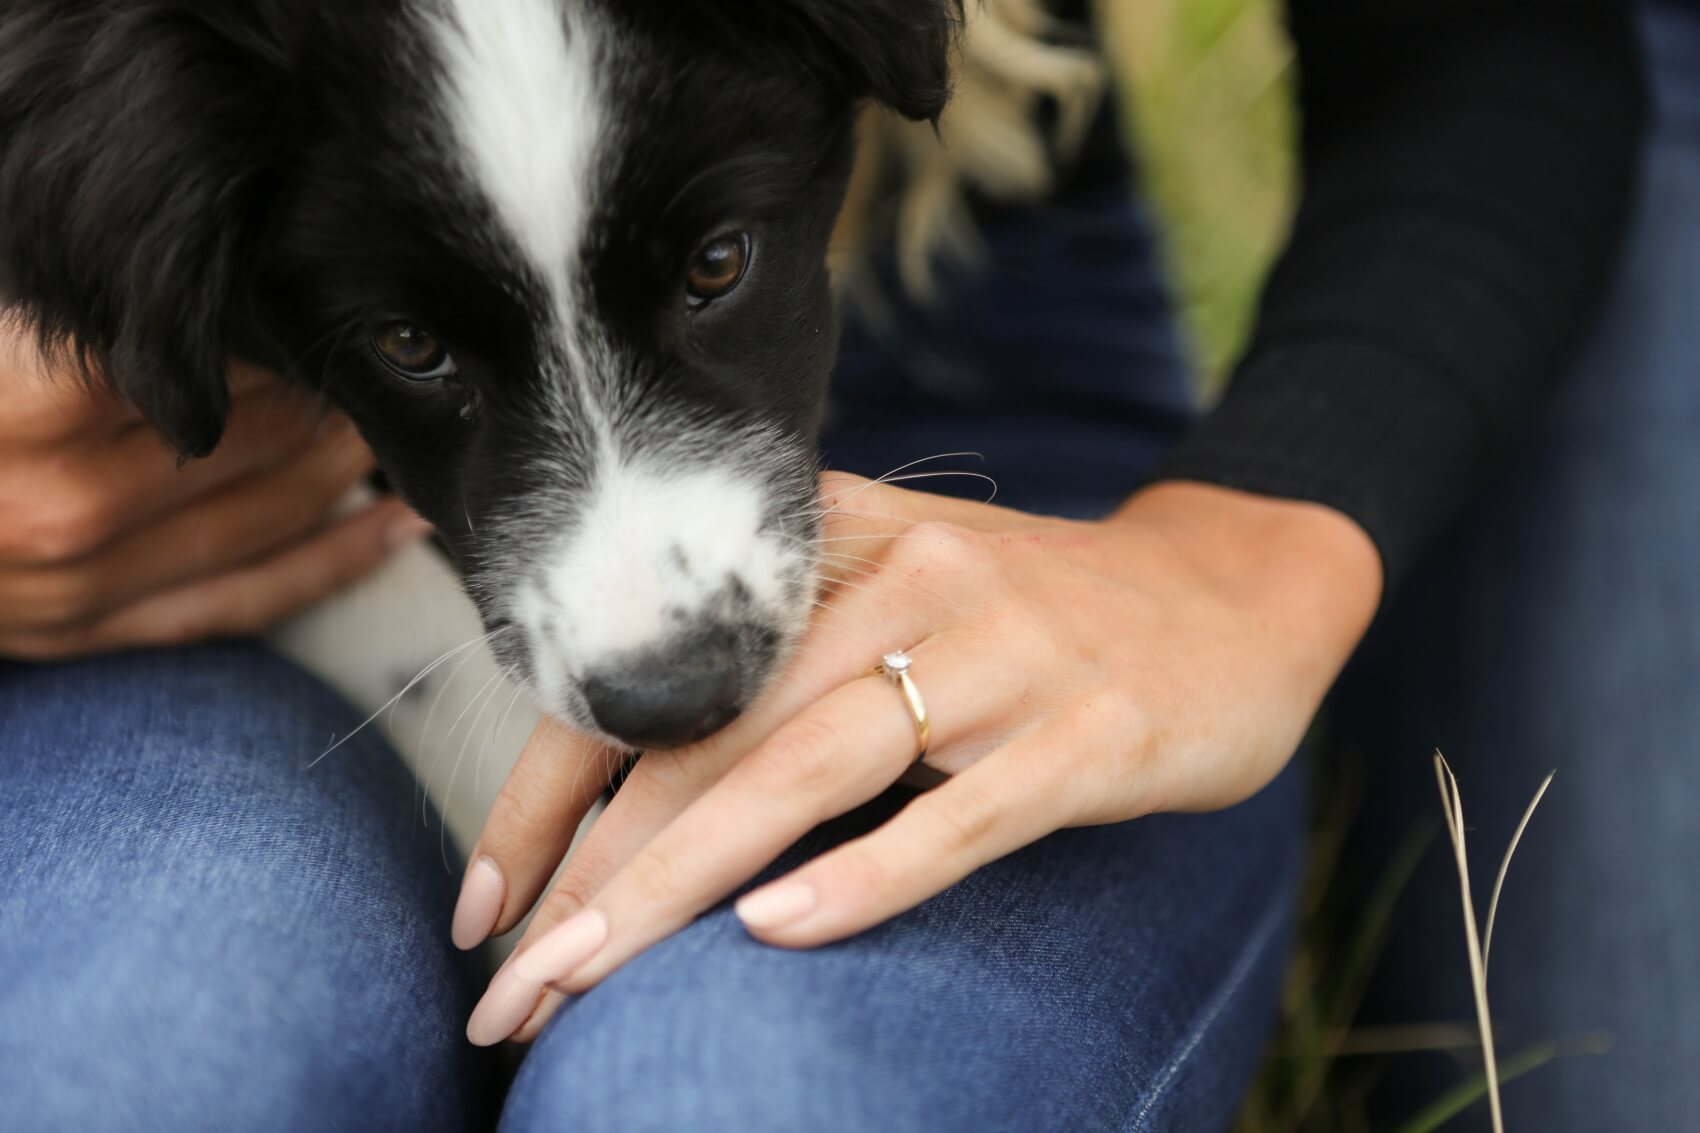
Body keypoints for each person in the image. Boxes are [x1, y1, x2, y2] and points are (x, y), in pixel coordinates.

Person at [0, 3, 1656, 1133]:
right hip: (165, 505)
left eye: (713, 262)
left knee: (736, 1100)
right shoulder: (174, 93)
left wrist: (1234, 559)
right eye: (423, 338)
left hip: (959, 312)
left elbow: (1489, 47)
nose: (642, 625)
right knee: (148, 1064)